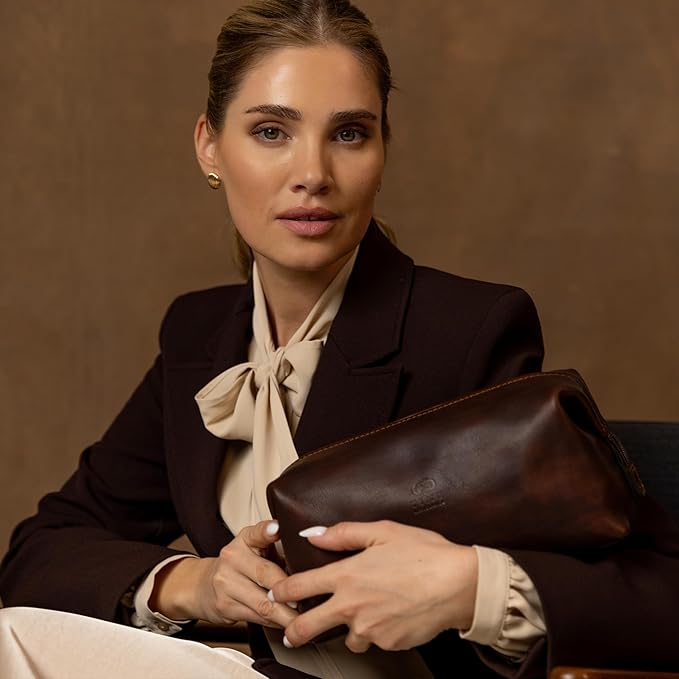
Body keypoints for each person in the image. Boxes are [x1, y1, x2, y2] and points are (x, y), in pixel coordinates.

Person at [1, 1, 678, 678]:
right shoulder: (198, 333)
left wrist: (468, 587)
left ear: (383, 149)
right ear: (209, 146)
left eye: (349, 133)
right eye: (271, 131)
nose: (313, 173)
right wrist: (194, 583)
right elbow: (42, 549)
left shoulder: (467, 330)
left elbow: (659, 589)